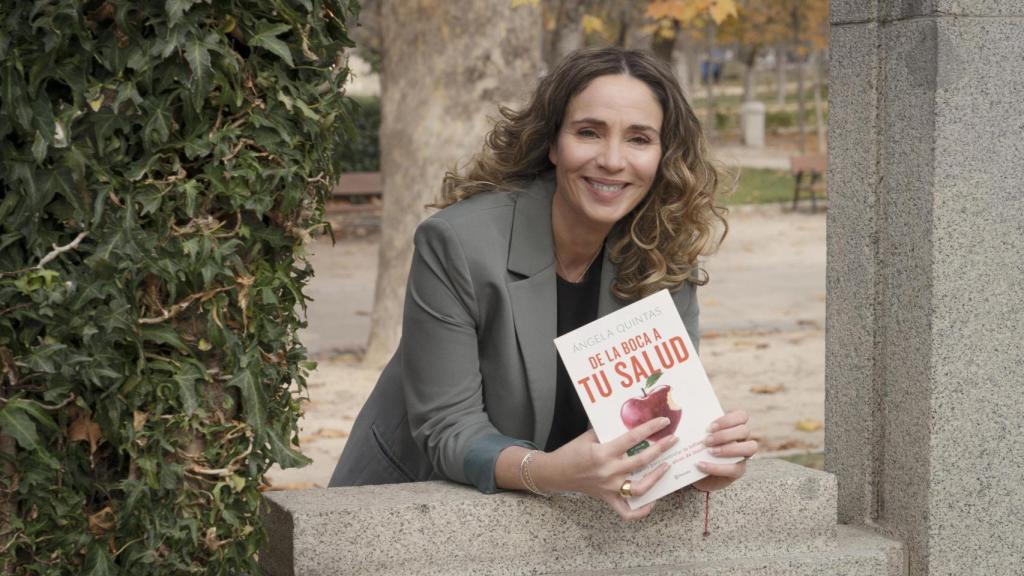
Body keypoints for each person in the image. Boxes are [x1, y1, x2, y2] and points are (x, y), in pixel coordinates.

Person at [329, 47, 757, 521]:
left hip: (560, 517)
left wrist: (697, 461)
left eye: (639, 139)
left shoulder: (664, 253)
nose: (612, 160)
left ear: (663, 156)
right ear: (553, 143)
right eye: (588, 132)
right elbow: (449, 428)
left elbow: (654, 418)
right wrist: (550, 472)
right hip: (413, 510)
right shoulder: (457, 243)